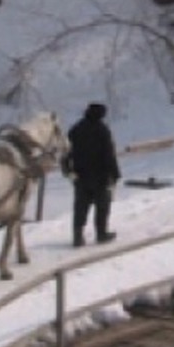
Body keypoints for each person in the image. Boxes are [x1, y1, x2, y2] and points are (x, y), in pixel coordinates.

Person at [64, 102, 121, 246]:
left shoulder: (75, 129)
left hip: (80, 175)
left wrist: (68, 170)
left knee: (80, 206)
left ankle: (77, 236)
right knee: (102, 206)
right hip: (100, 176)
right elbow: (109, 154)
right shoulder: (103, 130)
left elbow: (65, 152)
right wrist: (115, 174)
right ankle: (101, 233)